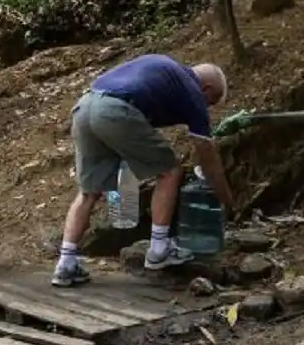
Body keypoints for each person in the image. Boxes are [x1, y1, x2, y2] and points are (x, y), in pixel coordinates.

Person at [52, 54, 236, 287]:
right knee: (170, 172)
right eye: (211, 101)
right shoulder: (191, 90)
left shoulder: (165, 71)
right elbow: (207, 155)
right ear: (207, 88)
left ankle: (66, 263)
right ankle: (159, 250)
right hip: (114, 110)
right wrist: (227, 201)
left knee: (89, 191)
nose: (207, 107)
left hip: (85, 106)